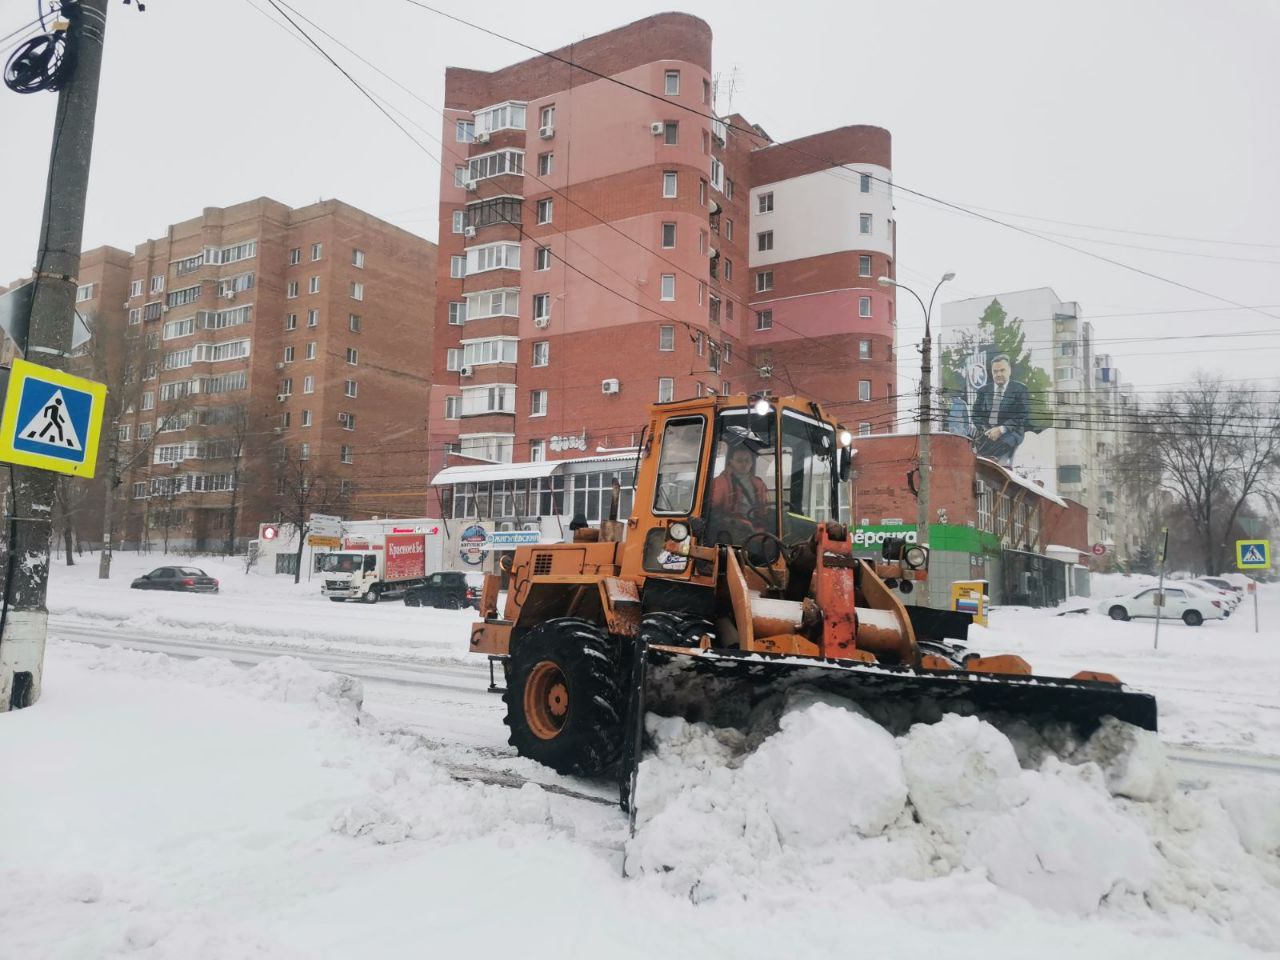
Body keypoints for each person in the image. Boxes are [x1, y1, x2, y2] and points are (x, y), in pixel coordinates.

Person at [971, 353, 1029, 464]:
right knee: (971, 450)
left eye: (1002, 370)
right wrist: (986, 430)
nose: (998, 374)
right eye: (995, 371)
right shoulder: (983, 391)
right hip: (987, 433)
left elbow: (1022, 415)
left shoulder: (1020, 389)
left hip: (1010, 433)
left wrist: (1001, 429)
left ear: (1009, 370)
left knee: (995, 452)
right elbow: (975, 414)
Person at [708, 444, 770, 543]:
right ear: (731, 462)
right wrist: (735, 522)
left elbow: (764, 509)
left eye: (747, 461)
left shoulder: (759, 484)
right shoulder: (720, 483)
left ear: (751, 463)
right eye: (739, 461)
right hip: (732, 530)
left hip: (755, 527)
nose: (744, 464)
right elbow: (712, 511)